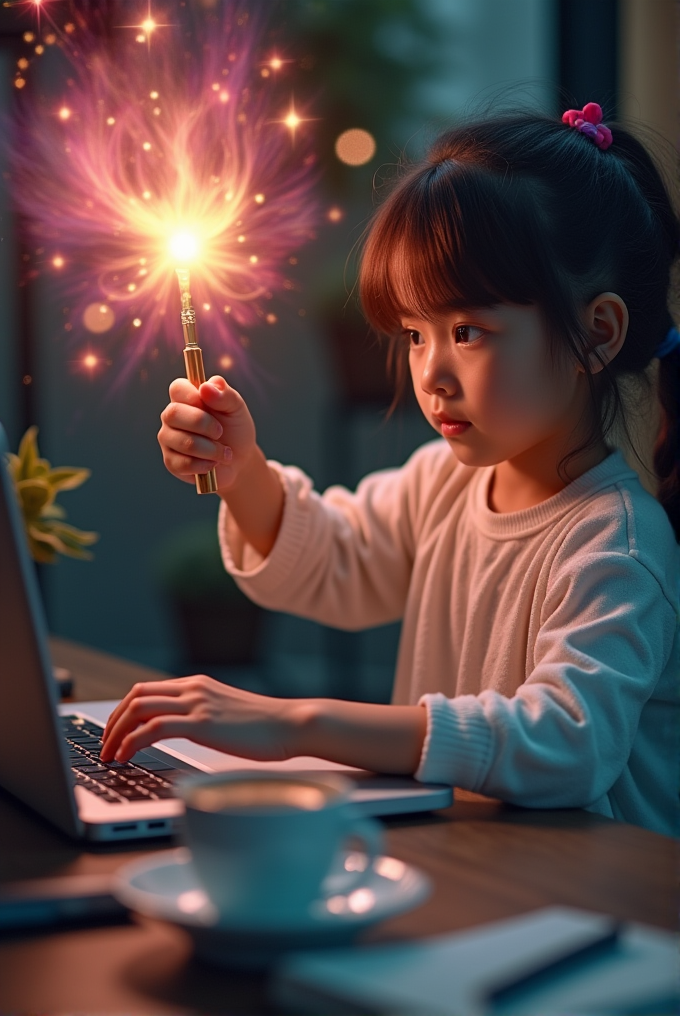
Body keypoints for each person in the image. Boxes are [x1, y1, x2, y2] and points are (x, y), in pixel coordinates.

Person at [101, 104, 680, 836]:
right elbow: (337, 559)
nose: (430, 372)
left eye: (467, 331)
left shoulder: (618, 547)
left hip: (585, 903)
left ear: (596, 334)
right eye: (414, 332)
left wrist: (296, 723)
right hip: (467, 862)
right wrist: (243, 471)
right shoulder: (445, 481)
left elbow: (568, 743)